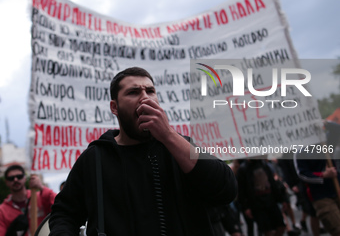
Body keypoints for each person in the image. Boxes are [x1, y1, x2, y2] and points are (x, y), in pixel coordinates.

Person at [49, 67, 237, 236]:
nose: (145, 97)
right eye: (133, 92)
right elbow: (65, 214)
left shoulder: (178, 146)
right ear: (114, 107)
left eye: (150, 91)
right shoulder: (95, 158)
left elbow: (226, 189)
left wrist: (169, 135)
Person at [0, 164, 56, 236]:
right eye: (11, 178)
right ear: (6, 182)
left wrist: (41, 187)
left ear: (25, 178)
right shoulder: (2, 210)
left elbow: (60, 204)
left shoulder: (40, 197)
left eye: (19, 176)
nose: (15, 180)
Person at [237, 159, 287, 236]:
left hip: (271, 201)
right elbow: (241, 190)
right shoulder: (243, 169)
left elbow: (272, 183)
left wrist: (282, 199)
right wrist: (246, 207)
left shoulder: (263, 164)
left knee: (281, 226)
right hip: (257, 205)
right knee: (267, 230)